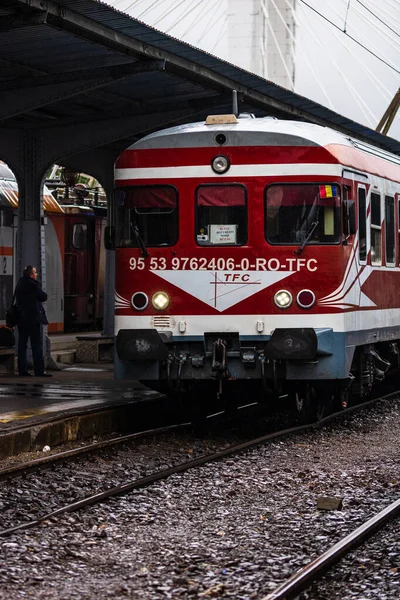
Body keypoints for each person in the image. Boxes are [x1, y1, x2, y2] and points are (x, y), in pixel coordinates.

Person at [15, 265, 52, 377]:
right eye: (35, 273)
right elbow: (43, 296)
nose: (36, 274)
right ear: (31, 275)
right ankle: (39, 370)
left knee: (22, 345)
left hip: (21, 318)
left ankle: (23, 371)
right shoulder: (33, 285)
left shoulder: (20, 283)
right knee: (36, 345)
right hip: (33, 318)